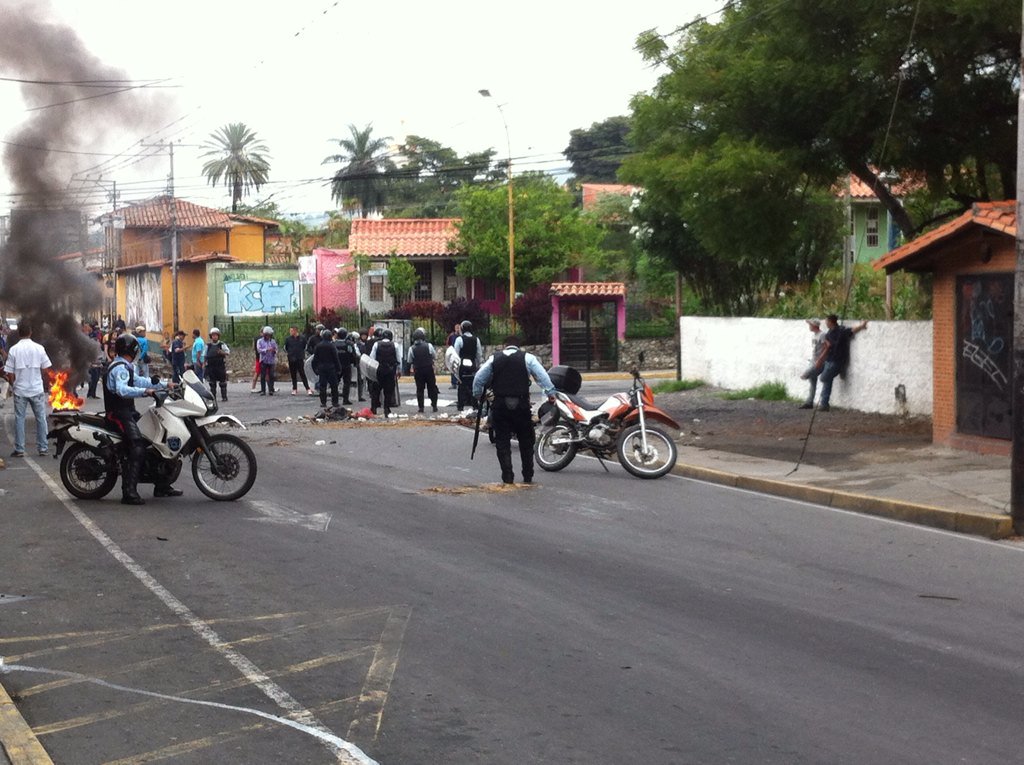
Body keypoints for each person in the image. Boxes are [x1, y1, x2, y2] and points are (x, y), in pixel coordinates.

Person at [103, 333, 180, 505]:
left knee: (154, 438)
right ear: (131, 349)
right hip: (118, 413)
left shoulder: (126, 366)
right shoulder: (120, 368)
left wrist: (165, 384)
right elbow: (123, 390)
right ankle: (128, 492)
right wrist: (146, 392)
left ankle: (162, 485)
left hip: (128, 411)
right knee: (137, 445)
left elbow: (140, 381)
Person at [473, 335, 556, 484]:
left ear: (505, 346)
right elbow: (543, 376)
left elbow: (479, 378)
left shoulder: (494, 359)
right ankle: (527, 474)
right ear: (519, 346)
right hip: (521, 405)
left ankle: (508, 476)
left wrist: (479, 395)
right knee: (526, 440)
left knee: (502, 442)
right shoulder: (528, 358)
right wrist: (550, 393)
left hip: (500, 405)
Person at [2, 320, 52, 457]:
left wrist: (13, 385)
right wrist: (39, 379)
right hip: (36, 389)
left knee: (19, 419)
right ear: (31, 332)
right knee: (41, 418)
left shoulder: (14, 350)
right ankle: (43, 447)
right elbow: (46, 369)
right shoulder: (39, 348)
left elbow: (10, 373)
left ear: (19, 333)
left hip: (20, 390)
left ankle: (20, 449)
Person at [814, 314, 869, 412]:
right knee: (828, 381)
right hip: (830, 360)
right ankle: (824, 404)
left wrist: (861, 326)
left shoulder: (841, 331)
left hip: (836, 361)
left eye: (827, 321)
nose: (825, 323)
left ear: (831, 322)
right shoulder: (830, 333)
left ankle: (824, 403)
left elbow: (852, 330)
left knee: (823, 378)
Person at [408, 327, 439, 413]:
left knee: (420, 389)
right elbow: (434, 356)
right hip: (428, 368)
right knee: (432, 387)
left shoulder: (411, 348)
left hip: (418, 370)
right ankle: (434, 405)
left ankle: (421, 407)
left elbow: (410, 360)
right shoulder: (429, 346)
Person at [453, 320, 483, 411]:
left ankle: (461, 405)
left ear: (462, 329)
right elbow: (479, 354)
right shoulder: (476, 339)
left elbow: (455, 354)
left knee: (461, 385)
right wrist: (478, 365)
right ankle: (474, 404)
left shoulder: (459, 339)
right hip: (472, 365)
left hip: (462, 366)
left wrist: (455, 367)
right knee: (473, 384)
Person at [369, 328, 400, 417]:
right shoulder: (395, 345)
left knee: (376, 391)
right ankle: (386, 409)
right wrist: (398, 370)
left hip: (379, 370)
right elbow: (398, 359)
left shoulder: (376, 344)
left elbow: (372, 358)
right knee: (388, 391)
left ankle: (374, 408)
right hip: (390, 371)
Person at [798, 319, 827, 410]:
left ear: (814, 325)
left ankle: (809, 401)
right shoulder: (814, 335)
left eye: (810, 324)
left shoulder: (822, 335)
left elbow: (825, 347)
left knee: (805, 375)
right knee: (812, 381)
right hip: (814, 360)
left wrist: (820, 360)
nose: (809, 326)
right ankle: (809, 402)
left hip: (818, 361)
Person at [311, 328, 342, 408]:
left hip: (322, 368)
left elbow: (315, 359)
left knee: (322, 386)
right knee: (334, 386)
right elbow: (336, 358)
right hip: (331, 368)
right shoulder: (332, 346)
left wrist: (315, 369)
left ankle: (323, 402)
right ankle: (334, 402)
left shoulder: (318, 346)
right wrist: (339, 368)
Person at [285, 325, 313, 396]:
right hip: (291, 358)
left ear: (295, 331)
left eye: (292, 331)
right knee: (293, 374)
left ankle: (308, 389)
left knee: (302, 373)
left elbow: (304, 346)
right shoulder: (288, 339)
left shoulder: (302, 338)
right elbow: (286, 348)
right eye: (290, 331)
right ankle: (294, 389)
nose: (290, 332)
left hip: (299, 358)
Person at [204, 327, 231, 401]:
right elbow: (205, 355)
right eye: (213, 335)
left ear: (218, 336)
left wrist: (222, 352)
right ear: (211, 336)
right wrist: (204, 364)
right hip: (211, 366)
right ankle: (213, 398)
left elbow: (227, 352)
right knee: (212, 383)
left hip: (220, 366)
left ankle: (224, 397)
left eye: (216, 335)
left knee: (222, 383)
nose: (214, 337)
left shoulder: (221, 344)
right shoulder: (208, 345)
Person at [333, 326, 356, 405]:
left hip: (336, 366)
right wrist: (354, 362)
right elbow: (353, 354)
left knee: (335, 382)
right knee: (347, 383)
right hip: (347, 365)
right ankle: (345, 399)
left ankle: (335, 400)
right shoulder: (349, 344)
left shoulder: (334, 344)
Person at [256, 326, 278, 395]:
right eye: (268, 334)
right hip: (264, 360)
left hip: (271, 360)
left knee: (271, 375)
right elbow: (259, 350)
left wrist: (274, 351)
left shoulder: (273, 341)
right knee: (263, 375)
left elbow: (276, 349)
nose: (269, 336)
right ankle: (263, 390)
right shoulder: (260, 341)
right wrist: (266, 350)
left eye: (270, 334)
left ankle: (271, 389)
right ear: (265, 334)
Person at [446, 322, 461, 389]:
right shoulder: (451, 336)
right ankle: (453, 383)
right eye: (456, 328)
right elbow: (448, 344)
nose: (457, 329)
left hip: (460, 355)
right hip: (453, 355)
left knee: (459, 369)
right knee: (453, 369)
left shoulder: (461, 336)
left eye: (459, 328)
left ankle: (459, 382)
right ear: (455, 329)